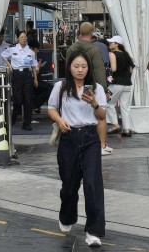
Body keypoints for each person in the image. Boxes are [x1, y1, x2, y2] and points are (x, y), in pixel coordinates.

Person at [48, 51, 107, 249]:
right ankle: (67, 216)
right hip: (69, 138)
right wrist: (60, 120)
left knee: (93, 185)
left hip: (90, 138)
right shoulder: (61, 87)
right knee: (70, 185)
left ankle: (93, 231)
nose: (80, 70)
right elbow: (51, 108)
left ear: (88, 68)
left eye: (83, 66)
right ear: (70, 67)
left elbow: (101, 115)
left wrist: (94, 103)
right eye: (76, 66)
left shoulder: (96, 88)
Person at [65, 22, 111, 154]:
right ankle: (101, 144)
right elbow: (99, 71)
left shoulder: (71, 49)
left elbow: (68, 69)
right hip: (92, 87)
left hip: (74, 86)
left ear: (79, 32)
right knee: (99, 115)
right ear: (92, 33)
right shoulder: (94, 50)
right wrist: (104, 90)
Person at [2, 31, 39, 131]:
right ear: (18, 38)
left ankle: (26, 123)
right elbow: (3, 55)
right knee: (17, 99)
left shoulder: (30, 52)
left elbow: (33, 66)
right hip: (17, 74)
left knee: (28, 99)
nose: (24, 38)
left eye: (25, 37)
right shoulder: (12, 49)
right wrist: (9, 65)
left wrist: (35, 78)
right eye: (21, 37)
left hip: (27, 75)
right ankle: (14, 116)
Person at [106, 35, 135, 138]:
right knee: (125, 107)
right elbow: (131, 70)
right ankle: (127, 129)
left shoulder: (112, 54)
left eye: (111, 42)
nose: (109, 44)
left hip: (115, 83)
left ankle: (115, 125)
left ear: (117, 44)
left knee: (109, 103)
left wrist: (107, 69)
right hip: (127, 84)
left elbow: (113, 69)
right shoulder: (126, 55)